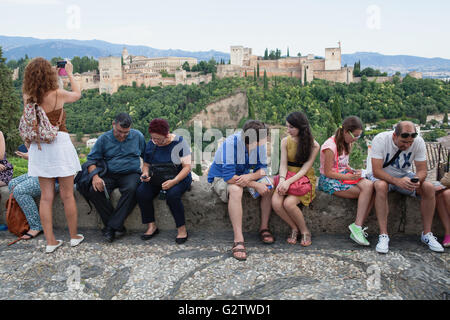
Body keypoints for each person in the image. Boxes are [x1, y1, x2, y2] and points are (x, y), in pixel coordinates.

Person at [23, 57, 83, 253]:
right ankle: (73, 237)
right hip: (59, 145)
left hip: (40, 148)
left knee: (46, 198)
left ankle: (50, 241)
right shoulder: (57, 94)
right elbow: (77, 94)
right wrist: (70, 73)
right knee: (67, 195)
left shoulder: (28, 96)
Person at [366, 121, 444, 253]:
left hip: (404, 175)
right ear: (394, 136)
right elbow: (376, 171)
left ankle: (427, 234)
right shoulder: (380, 139)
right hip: (383, 177)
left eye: (410, 143)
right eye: (404, 142)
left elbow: (422, 170)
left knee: (429, 187)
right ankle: (383, 235)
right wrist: (396, 181)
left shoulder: (418, 142)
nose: (407, 146)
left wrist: (417, 181)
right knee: (381, 186)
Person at [208, 120, 273, 261]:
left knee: (269, 186)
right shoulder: (231, 145)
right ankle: (238, 239)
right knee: (236, 190)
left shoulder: (259, 144)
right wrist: (254, 184)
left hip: (244, 174)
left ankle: (264, 228)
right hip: (222, 178)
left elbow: (263, 169)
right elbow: (229, 177)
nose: (266, 140)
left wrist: (249, 177)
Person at [86, 112, 145, 243]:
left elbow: (147, 156)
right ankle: (115, 225)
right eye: (119, 131)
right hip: (109, 173)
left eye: (126, 132)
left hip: (131, 173)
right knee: (94, 191)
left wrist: (146, 171)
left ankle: (110, 228)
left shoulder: (138, 136)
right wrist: (95, 177)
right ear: (113, 124)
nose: (123, 135)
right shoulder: (103, 139)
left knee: (133, 189)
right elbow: (91, 160)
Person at [318, 116, 374, 246]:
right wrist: (349, 177)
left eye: (358, 136)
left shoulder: (347, 143)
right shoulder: (330, 147)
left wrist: (352, 170)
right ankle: (357, 227)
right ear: (345, 131)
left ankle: (357, 226)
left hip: (343, 174)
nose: (355, 139)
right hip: (329, 179)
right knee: (366, 193)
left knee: (370, 186)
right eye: (354, 135)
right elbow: (328, 172)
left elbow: (343, 164)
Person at [136, 119, 192, 244]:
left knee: (172, 195)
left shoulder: (180, 142)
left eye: (159, 139)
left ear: (167, 135)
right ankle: (151, 226)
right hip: (158, 177)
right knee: (141, 192)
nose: (156, 142)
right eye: (153, 138)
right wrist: (145, 173)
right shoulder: (151, 144)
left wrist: (174, 181)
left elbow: (187, 167)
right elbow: (146, 164)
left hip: (179, 177)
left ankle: (181, 229)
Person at [272, 112, 320, 246]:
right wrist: (282, 180)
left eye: (291, 127)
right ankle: (294, 227)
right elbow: (283, 164)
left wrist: (288, 182)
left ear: (301, 127)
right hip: (286, 175)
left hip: (303, 178)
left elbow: (305, 169)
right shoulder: (285, 141)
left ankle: (305, 231)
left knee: (289, 203)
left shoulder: (314, 145)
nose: (288, 130)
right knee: (276, 203)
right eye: (287, 127)